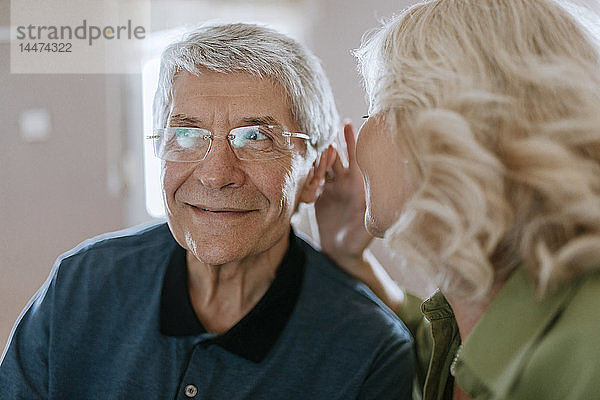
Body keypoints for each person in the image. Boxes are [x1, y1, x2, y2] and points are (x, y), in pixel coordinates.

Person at [0, 23, 415, 399]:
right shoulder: (81, 283)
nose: (216, 175)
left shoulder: (369, 350)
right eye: (186, 133)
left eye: (255, 137)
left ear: (315, 173)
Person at [315, 1, 600, 399]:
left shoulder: (589, 355)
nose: (360, 139)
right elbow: (439, 351)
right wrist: (352, 260)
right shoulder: (474, 307)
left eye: (374, 109)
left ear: (455, 125)